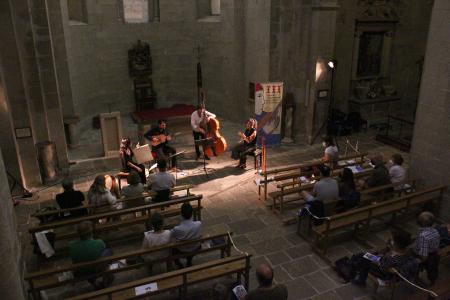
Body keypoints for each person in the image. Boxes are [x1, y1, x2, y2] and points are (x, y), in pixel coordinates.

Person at [351, 229, 418, 286]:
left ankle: (360, 280)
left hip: (386, 275)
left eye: (392, 240)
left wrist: (377, 258)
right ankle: (356, 261)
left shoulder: (393, 258)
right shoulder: (408, 250)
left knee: (365, 259)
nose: (390, 241)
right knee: (365, 255)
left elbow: (382, 265)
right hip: (387, 265)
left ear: (397, 244)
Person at [69, 221, 113, 289]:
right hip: (96, 268)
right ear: (91, 232)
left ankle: (95, 282)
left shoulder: (71, 245)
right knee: (108, 250)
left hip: (82, 271)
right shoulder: (98, 242)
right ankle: (106, 275)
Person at [171, 203, 202, 268]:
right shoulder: (198, 224)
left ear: (181, 214)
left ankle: (178, 263)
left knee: (171, 248)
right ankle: (189, 261)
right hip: (195, 248)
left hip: (182, 250)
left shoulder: (177, 229)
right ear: (192, 214)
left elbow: (171, 235)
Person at [413, 212, 441, 285]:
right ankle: (432, 281)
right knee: (433, 270)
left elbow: (424, 255)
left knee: (414, 263)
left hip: (426, 256)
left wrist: (419, 260)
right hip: (434, 253)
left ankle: (416, 277)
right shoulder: (435, 230)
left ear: (420, 222)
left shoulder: (423, 236)